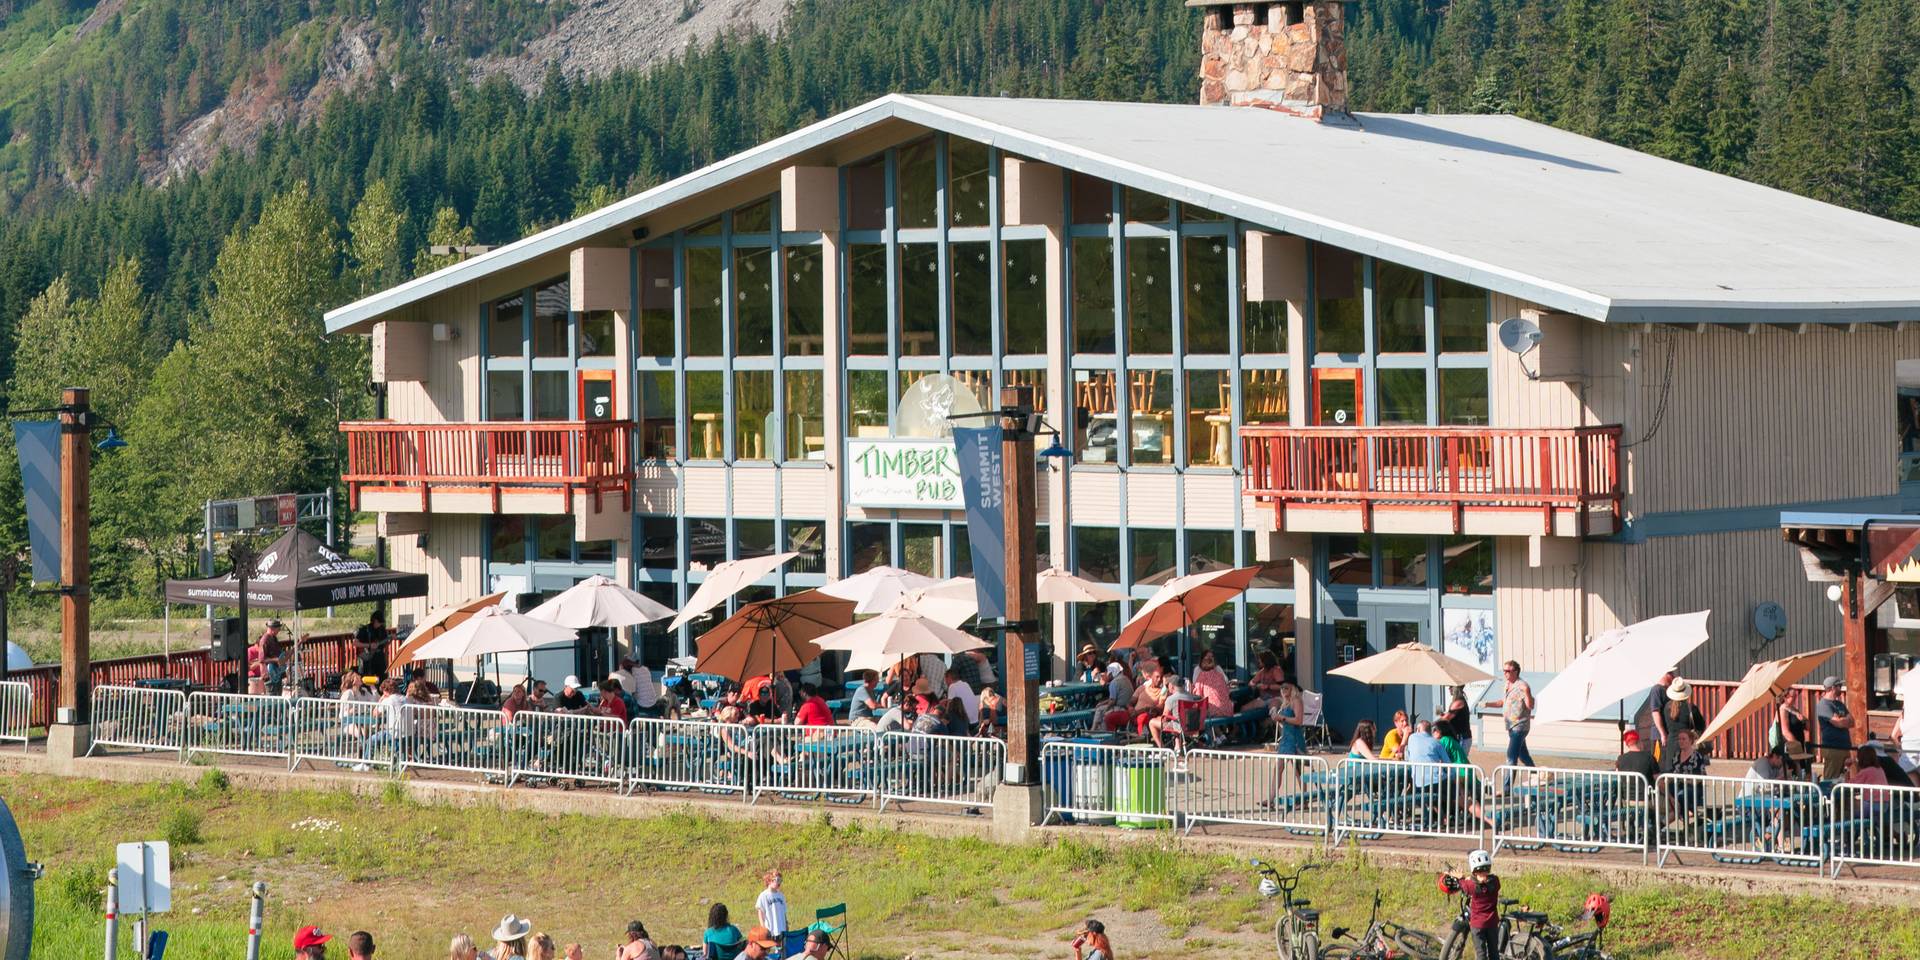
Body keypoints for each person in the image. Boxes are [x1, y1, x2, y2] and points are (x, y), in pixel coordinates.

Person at [1443, 849, 1501, 960]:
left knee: (1481, 954)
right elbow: (1488, 879)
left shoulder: (1471, 886)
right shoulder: (1496, 882)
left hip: (1478, 926)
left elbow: (1464, 885)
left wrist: (1461, 878)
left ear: (1474, 870)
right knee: (1494, 953)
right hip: (1492, 924)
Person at [1485, 660, 1535, 767]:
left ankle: (1508, 779)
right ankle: (1536, 773)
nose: (1505, 673)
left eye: (1508, 671)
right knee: (1523, 755)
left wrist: (1527, 692)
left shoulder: (1522, 686)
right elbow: (1503, 702)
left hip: (1519, 726)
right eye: (1504, 670)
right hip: (1511, 726)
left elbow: (1530, 706)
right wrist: (1487, 704)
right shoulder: (1507, 685)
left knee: (1511, 757)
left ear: (1515, 672)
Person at [1815, 675, 1855, 780]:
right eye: (1839, 686)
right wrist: (1843, 720)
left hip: (1845, 747)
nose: (1841, 688)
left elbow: (1852, 722)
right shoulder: (1823, 705)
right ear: (1833, 688)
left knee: (1844, 778)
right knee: (1831, 778)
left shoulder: (1840, 704)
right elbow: (1838, 723)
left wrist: (1841, 719)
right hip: (1833, 747)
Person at [1191, 650, 1233, 721]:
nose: (1210, 658)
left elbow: (1197, 695)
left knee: (1197, 712)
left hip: (1214, 711)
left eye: (1212, 656)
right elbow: (1227, 689)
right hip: (1228, 709)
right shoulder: (1219, 675)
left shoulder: (1202, 676)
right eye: (1208, 656)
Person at [1892, 681, 1920, 787]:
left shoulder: (1903, 717)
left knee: (1914, 791)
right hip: (1912, 752)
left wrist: (1900, 751)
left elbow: (1893, 736)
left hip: (1908, 756)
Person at [1661, 678, 1705, 744]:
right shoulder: (1691, 708)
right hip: (1686, 745)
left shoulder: (1666, 707)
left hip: (1671, 744)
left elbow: (1665, 726)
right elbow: (1701, 726)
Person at [251, 620, 287, 694]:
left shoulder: (274, 638)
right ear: (272, 628)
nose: (279, 631)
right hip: (269, 674)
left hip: (276, 673)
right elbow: (262, 659)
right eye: (278, 629)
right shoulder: (264, 640)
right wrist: (276, 659)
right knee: (272, 697)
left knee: (278, 697)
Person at [1646, 669, 1676, 757]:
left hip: (1669, 734)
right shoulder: (1657, 689)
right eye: (1670, 673)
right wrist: (1662, 734)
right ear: (1664, 674)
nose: (1673, 676)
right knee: (1659, 761)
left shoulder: (1668, 690)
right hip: (1659, 736)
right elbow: (1655, 712)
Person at [1272, 681, 1307, 756]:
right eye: (1282, 688)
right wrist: (1278, 718)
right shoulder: (1285, 703)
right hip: (1285, 737)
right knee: (1280, 762)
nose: (1283, 690)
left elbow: (1299, 721)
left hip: (1294, 737)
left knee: (1297, 762)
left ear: (1292, 689)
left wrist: (1282, 718)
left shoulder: (1296, 701)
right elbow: (1285, 723)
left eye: (1286, 688)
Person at [355, 610, 389, 681]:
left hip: (379, 657)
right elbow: (355, 643)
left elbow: (386, 643)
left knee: (383, 677)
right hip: (367, 659)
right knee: (367, 680)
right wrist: (369, 645)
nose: (380, 624)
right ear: (375, 620)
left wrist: (391, 638)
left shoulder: (382, 630)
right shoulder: (365, 629)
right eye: (379, 622)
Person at [1773, 689, 1809, 758]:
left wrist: (1804, 720)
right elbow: (1785, 732)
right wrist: (1797, 746)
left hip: (1798, 745)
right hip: (1790, 747)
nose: (1795, 698)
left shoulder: (1794, 709)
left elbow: (1807, 727)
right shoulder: (1782, 710)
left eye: (1796, 696)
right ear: (1785, 697)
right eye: (1793, 696)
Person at [755, 870, 789, 943]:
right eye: (777, 880)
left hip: (781, 929)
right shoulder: (763, 896)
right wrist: (763, 927)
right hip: (770, 929)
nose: (779, 883)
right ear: (769, 881)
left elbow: (784, 912)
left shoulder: (781, 896)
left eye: (780, 880)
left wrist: (786, 924)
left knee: (782, 947)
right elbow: (760, 913)